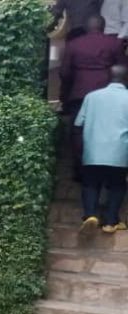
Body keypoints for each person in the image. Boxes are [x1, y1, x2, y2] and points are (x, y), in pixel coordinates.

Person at [61, 16, 126, 181]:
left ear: (86, 27)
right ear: (104, 27)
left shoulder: (73, 44)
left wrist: (65, 94)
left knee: (78, 130)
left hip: (79, 92)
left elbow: (64, 73)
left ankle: (81, 168)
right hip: (107, 93)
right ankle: (108, 169)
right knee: (108, 130)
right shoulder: (114, 43)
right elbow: (123, 69)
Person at [75, 65, 128, 233]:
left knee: (90, 184)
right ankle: (110, 222)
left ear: (108, 78)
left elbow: (78, 123)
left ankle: (90, 215)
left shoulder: (91, 97)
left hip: (93, 151)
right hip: (119, 152)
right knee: (117, 185)